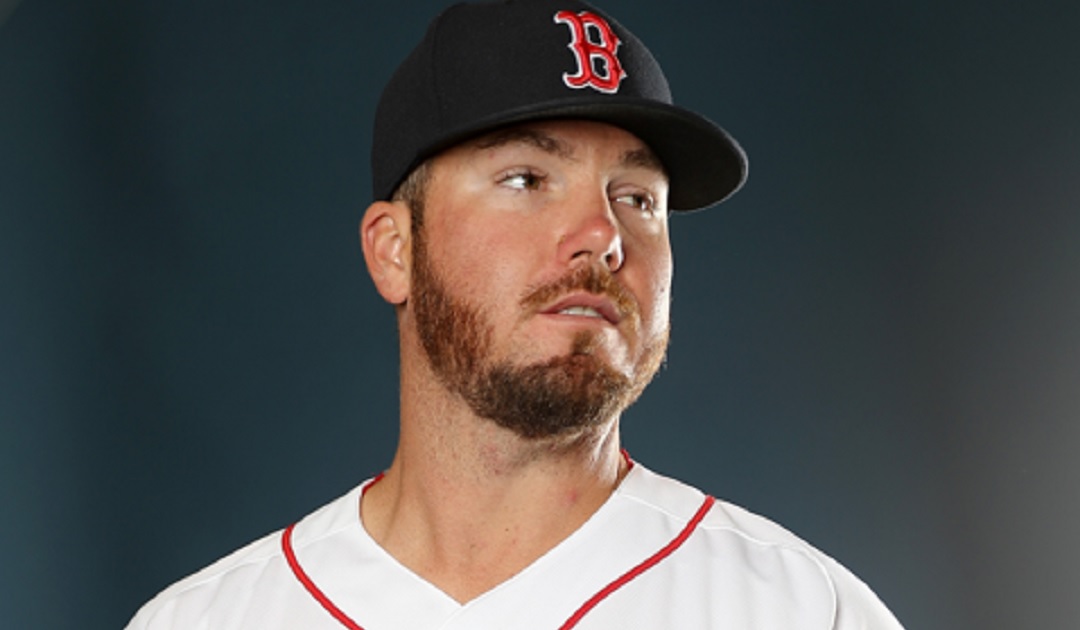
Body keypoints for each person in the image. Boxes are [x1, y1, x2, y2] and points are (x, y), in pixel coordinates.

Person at [127, 0, 904, 627]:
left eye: (638, 199)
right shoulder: (206, 620)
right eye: (527, 179)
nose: (602, 236)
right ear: (394, 249)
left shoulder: (803, 611)